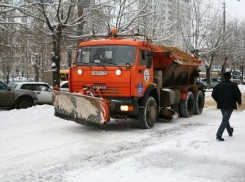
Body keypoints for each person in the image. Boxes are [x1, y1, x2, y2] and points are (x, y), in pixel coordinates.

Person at [212, 72, 242, 141]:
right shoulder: (233, 85)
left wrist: (218, 100)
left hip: (222, 105)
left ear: (224, 77)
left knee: (225, 119)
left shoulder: (218, 85)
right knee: (225, 119)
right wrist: (239, 102)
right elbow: (237, 94)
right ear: (230, 77)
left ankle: (230, 131)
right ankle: (219, 135)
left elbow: (213, 94)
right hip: (230, 105)